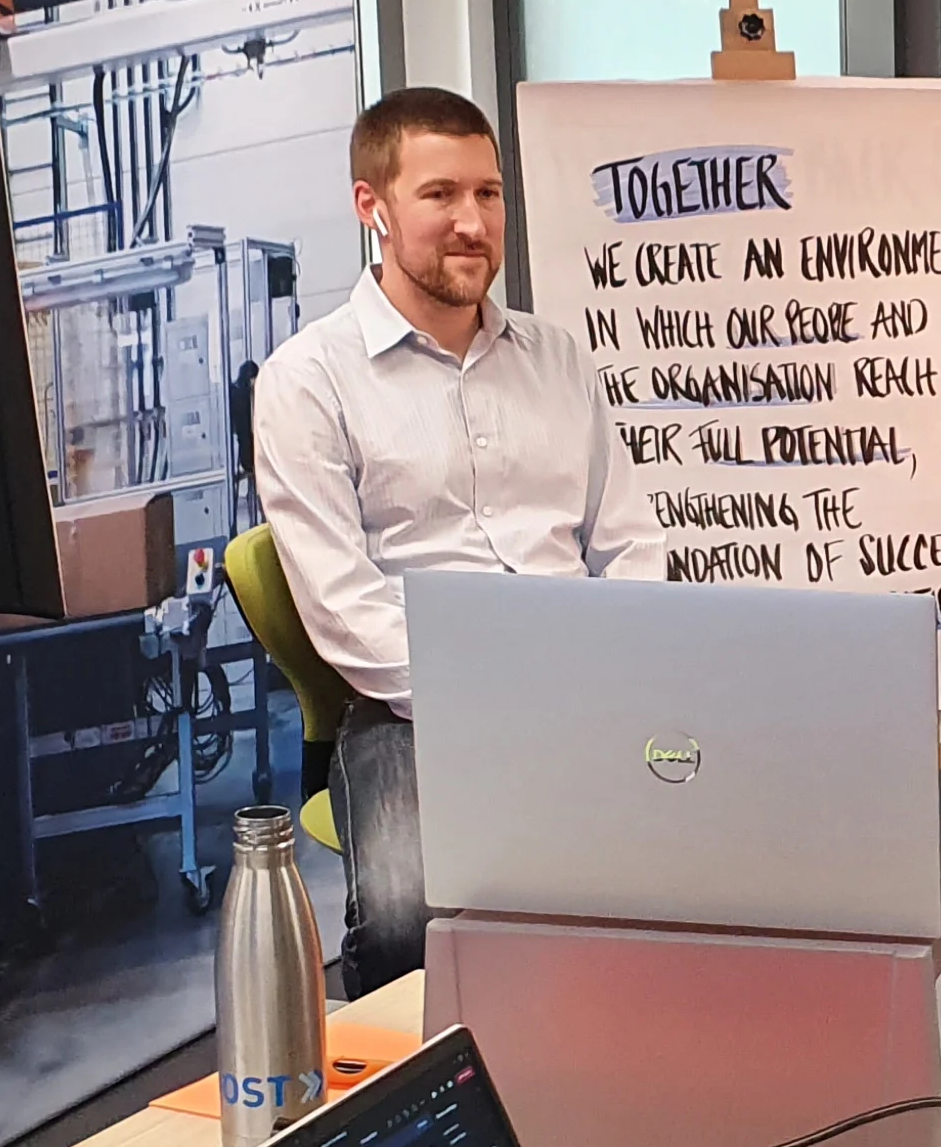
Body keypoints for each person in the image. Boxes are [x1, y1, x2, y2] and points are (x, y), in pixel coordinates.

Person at [252, 84, 655, 994]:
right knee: (410, 922)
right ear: (373, 208)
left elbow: (628, 543)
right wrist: (494, 699)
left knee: (702, 878)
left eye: (489, 193)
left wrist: (613, 676)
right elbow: (345, 607)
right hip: (411, 708)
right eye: (440, 195)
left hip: (585, 686)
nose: (473, 223)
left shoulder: (559, 359)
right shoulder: (307, 381)